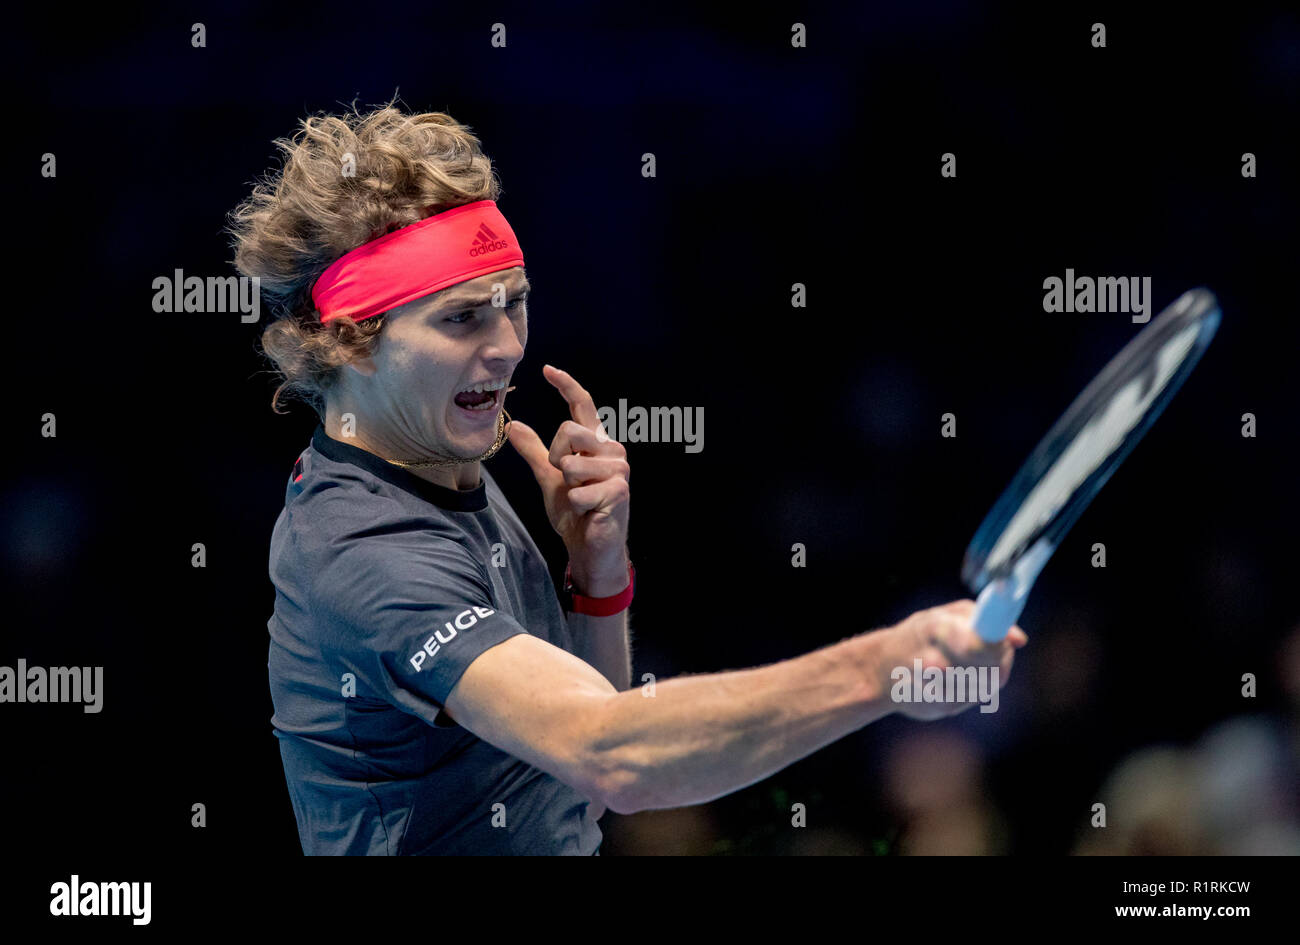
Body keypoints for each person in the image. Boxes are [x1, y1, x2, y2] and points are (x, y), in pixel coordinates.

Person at [226, 97, 1026, 855]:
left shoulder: (443, 463)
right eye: (463, 316)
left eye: (515, 302)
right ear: (352, 341)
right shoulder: (363, 549)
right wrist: (879, 670)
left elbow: (578, 778)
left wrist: (595, 579)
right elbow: (611, 755)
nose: (506, 344)